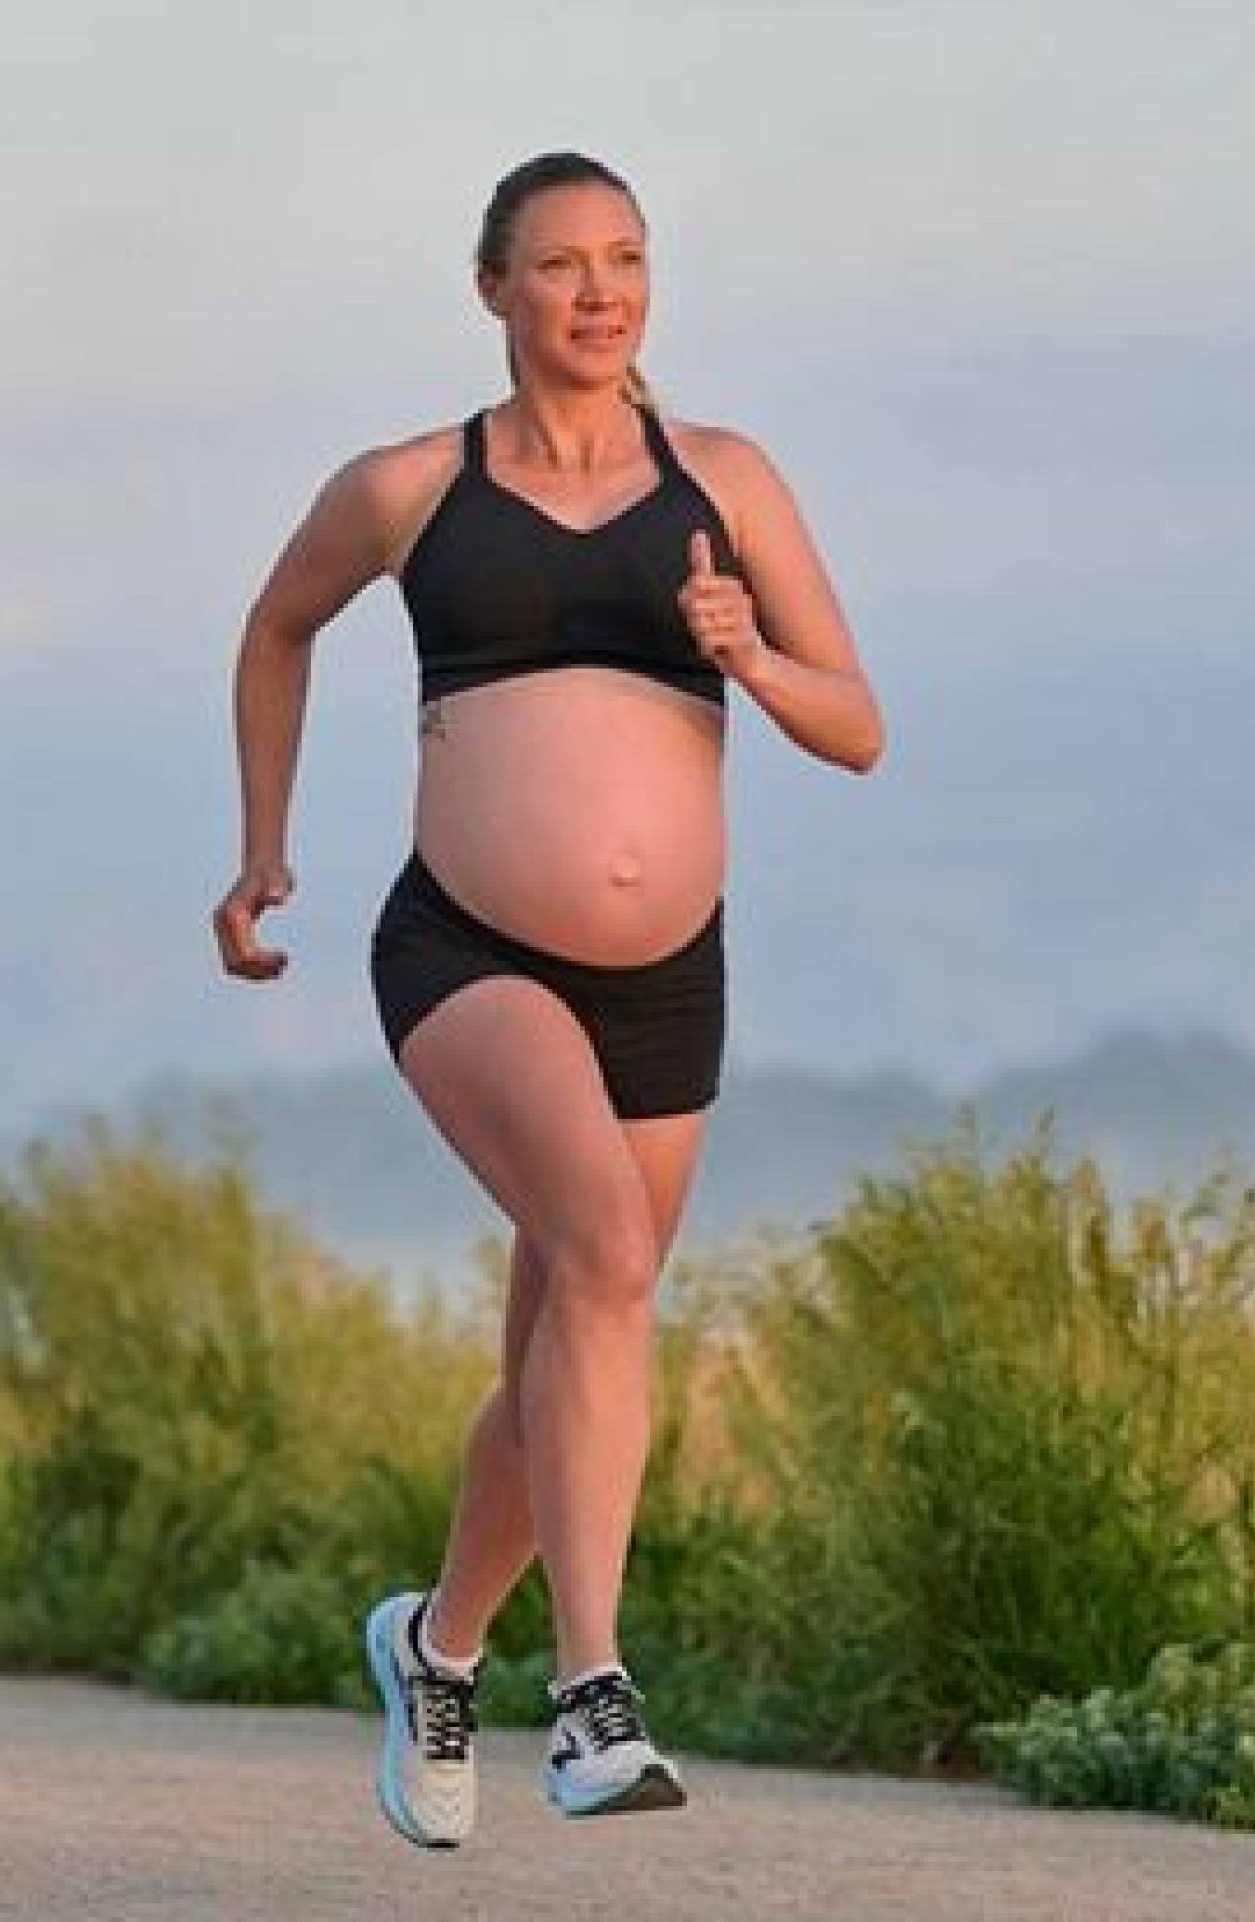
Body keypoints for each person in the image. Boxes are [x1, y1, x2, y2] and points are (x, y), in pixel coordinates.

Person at [212, 151, 882, 1848]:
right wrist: (263, 847)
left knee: (563, 1349)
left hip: (668, 975)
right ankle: (590, 1694)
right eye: (563, 264)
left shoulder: (722, 479)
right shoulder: (407, 486)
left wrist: (744, 653)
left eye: (627, 261)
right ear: (494, 288)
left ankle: (436, 1646)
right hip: (466, 949)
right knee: (603, 1255)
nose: (600, 293)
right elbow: (277, 628)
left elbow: (856, 720)